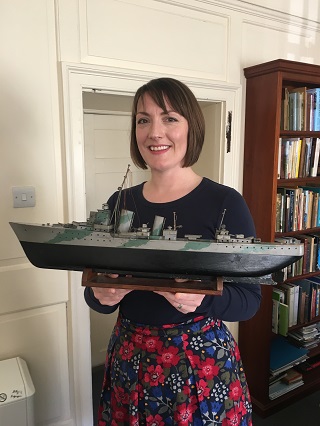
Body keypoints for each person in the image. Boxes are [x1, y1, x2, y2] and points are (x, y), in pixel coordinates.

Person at [84, 77, 261, 426]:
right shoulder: (119, 203)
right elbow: (94, 292)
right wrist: (101, 295)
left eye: (169, 118)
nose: (154, 132)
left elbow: (250, 299)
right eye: (143, 119)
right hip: (129, 359)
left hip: (200, 363)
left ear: (190, 127)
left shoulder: (225, 203)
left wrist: (203, 299)